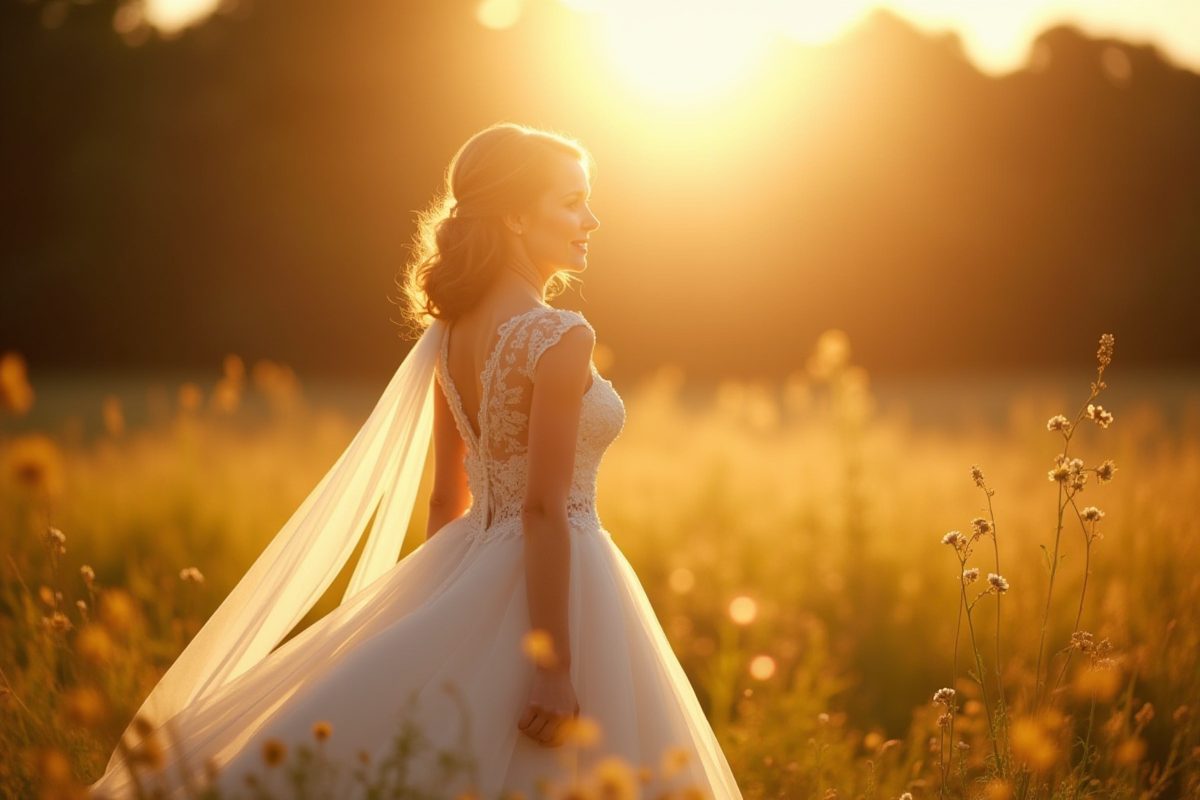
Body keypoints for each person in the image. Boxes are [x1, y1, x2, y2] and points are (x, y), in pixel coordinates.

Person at [88, 123, 743, 799]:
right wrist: (552, 663)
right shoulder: (560, 334)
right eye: (573, 201)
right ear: (517, 216)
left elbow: (445, 498)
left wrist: (441, 609)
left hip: (470, 560)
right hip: (560, 585)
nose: (592, 219)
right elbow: (542, 507)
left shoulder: (452, 332)